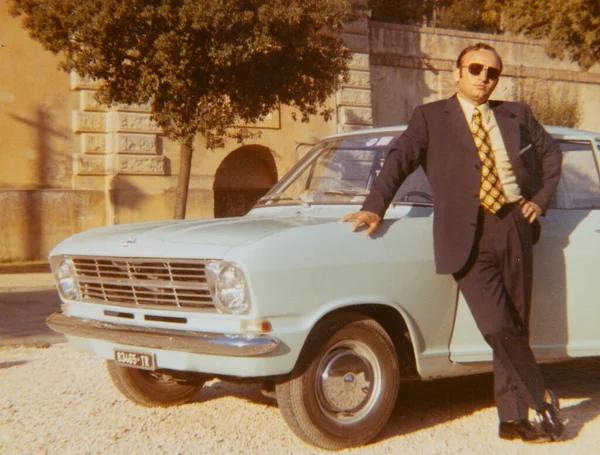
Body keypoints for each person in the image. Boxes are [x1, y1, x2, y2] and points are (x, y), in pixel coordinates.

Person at [341, 42, 565, 443]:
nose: (484, 77)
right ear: (456, 72)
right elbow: (399, 158)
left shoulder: (517, 114)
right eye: (475, 68)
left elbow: (551, 155)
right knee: (497, 325)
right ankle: (540, 395)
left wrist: (540, 201)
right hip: (466, 234)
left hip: (513, 225)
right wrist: (374, 207)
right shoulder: (430, 117)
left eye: (492, 72)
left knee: (515, 324)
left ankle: (512, 418)